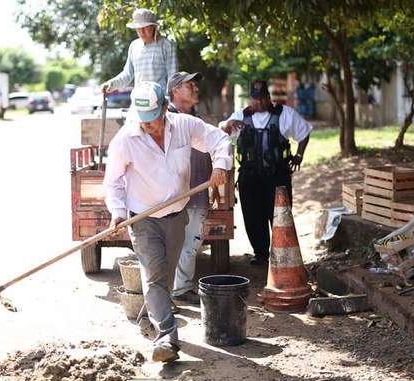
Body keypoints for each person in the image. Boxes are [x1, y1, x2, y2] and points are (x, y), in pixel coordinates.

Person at [104, 81, 232, 362]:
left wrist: (221, 164)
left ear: (165, 108)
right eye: (146, 124)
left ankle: (148, 319)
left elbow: (219, 140)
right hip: (144, 219)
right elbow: (112, 183)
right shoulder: (126, 140)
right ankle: (167, 336)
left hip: (177, 216)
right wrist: (118, 212)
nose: (152, 128)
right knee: (154, 274)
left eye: (156, 121)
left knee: (165, 277)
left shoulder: (185, 125)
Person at [219, 80, 312, 266]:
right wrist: (228, 123)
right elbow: (221, 129)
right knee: (253, 216)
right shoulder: (241, 116)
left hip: (278, 176)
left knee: (280, 216)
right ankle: (261, 254)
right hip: (249, 176)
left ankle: (281, 254)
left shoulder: (285, 114)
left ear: (268, 98)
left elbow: (304, 132)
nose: (259, 103)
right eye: (255, 99)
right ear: (250, 99)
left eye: (262, 99)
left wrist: (299, 156)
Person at [166, 71, 214, 305]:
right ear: (175, 90)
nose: (195, 88)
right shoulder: (165, 120)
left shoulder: (197, 119)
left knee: (191, 244)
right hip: (173, 196)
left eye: (196, 84)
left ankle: (181, 288)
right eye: (189, 85)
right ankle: (165, 295)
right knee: (169, 246)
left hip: (198, 191)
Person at [101, 8, 178, 93]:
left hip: (160, 100)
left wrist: (168, 99)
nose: (141, 31)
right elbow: (127, 74)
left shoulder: (166, 45)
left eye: (145, 27)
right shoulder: (134, 46)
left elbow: (173, 76)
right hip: (139, 99)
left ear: (153, 27)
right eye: (138, 27)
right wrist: (111, 84)